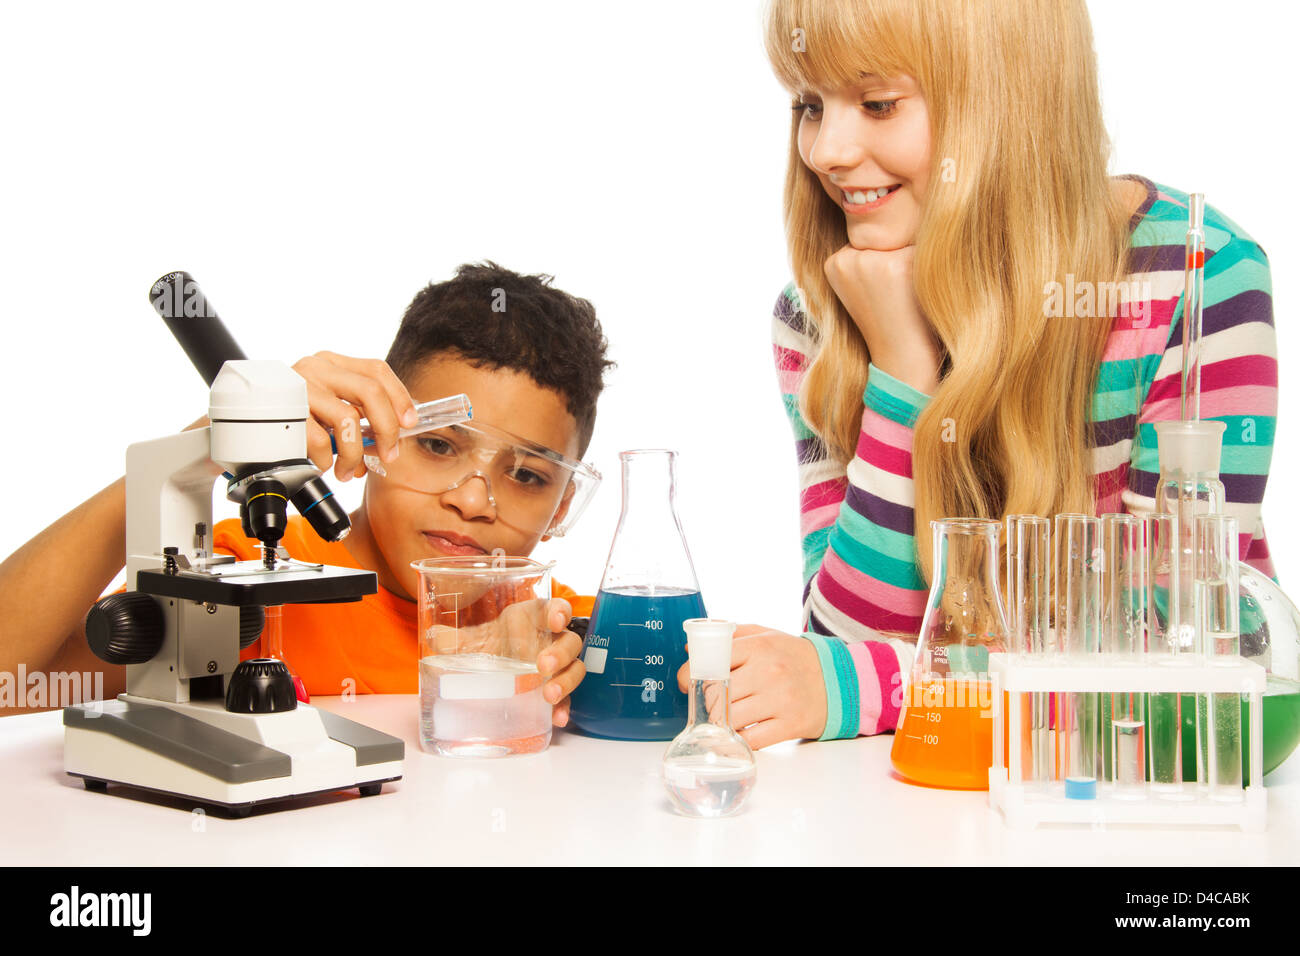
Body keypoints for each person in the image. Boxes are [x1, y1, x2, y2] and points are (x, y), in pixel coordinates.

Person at [691, 0, 1277, 748]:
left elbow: (1163, 667)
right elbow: (845, 636)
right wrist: (901, 372)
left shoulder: (1199, 280)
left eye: (876, 104)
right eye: (810, 105)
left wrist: (859, 687)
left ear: (1004, 100)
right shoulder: (822, 314)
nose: (826, 151)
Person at [1, 262, 614, 726]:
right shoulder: (233, 578)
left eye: (528, 475)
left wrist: (709, 683)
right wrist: (219, 437)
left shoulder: (553, 633)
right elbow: (13, 683)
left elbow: (696, 680)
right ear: (374, 433)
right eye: (438, 445)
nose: (475, 501)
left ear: (562, 505)